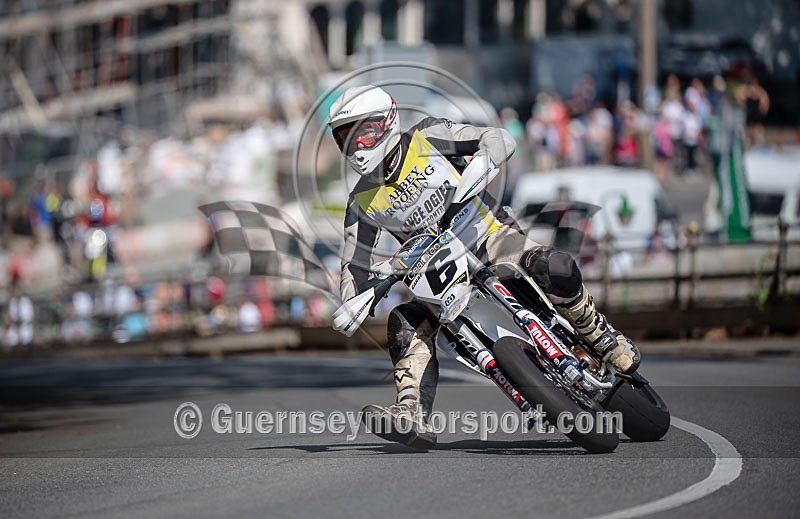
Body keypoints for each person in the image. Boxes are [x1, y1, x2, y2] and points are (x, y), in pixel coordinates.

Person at [328, 85, 640, 449]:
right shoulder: (360, 202)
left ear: (388, 121)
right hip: (436, 272)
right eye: (345, 138)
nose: (357, 147)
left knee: (553, 265)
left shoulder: (428, 136)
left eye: (364, 132)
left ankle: (599, 333)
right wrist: (353, 300)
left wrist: (486, 158)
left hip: (490, 237)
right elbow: (353, 265)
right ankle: (412, 409)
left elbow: (496, 137)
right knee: (404, 321)